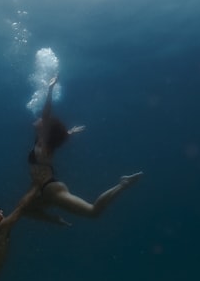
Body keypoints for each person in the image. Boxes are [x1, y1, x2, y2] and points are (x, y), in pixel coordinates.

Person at [27, 76, 143, 220]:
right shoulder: (42, 141)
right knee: (26, 210)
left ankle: (123, 184)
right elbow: (54, 136)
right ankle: (55, 220)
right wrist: (68, 133)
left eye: (41, 119)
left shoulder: (43, 142)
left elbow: (46, 114)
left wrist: (50, 89)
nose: (37, 118)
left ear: (46, 127)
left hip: (50, 189)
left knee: (93, 211)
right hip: (44, 191)